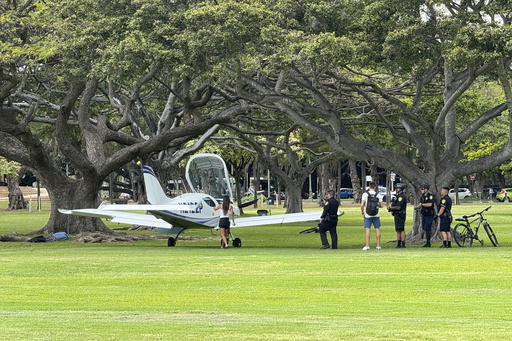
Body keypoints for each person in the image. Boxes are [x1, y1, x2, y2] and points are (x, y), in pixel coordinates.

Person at [361, 182, 384, 250]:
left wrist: (362, 213)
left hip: (368, 214)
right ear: (375, 187)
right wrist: (377, 205)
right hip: (376, 214)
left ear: (369, 187)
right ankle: (378, 245)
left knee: (368, 229)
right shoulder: (378, 195)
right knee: (377, 229)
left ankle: (367, 245)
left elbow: (362, 205)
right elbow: (382, 205)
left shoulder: (365, 194)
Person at [387, 183, 407, 248]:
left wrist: (391, 208)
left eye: (397, 188)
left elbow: (399, 207)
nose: (396, 189)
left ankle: (403, 243)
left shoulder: (402, 196)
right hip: (397, 214)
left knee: (401, 229)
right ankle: (398, 243)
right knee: (398, 229)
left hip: (400, 214)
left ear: (400, 189)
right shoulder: (397, 196)